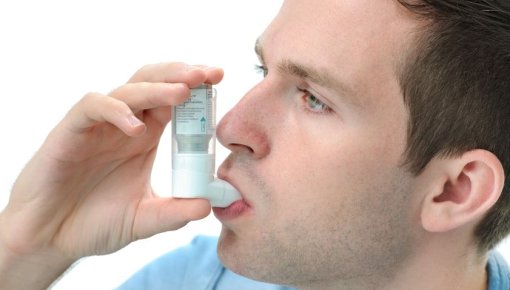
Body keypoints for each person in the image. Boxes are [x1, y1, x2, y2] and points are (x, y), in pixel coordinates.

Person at [1, 0, 510, 289]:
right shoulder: (195, 280)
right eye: (264, 70)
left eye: (313, 99)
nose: (231, 128)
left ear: (454, 191)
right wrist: (29, 246)